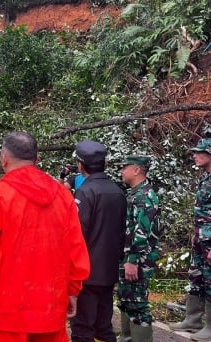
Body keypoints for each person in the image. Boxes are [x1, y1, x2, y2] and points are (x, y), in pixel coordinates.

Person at [0, 131, 90, 341]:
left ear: (3, 159)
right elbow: (75, 247)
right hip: (50, 305)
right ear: (37, 160)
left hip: (7, 309)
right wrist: (73, 289)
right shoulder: (62, 195)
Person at [70, 140, 127, 342]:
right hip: (109, 270)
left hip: (86, 272)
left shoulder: (85, 192)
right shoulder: (118, 192)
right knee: (103, 325)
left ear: (80, 164)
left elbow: (77, 235)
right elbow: (122, 233)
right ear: (105, 164)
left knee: (83, 326)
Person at [169, 138, 211, 340]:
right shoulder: (205, 178)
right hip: (201, 239)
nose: (195, 155)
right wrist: (196, 235)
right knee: (196, 276)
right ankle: (192, 319)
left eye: (199, 152)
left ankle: (210, 328)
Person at [117, 155, 161, 342]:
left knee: (137, 304)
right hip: (130, 257)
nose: (121, 171)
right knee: (127, 299)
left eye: (124, 167)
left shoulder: (144, 196)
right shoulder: (136, 193)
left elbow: (142, 232)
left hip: (138, 259)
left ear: (136, 170)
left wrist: (132, 260)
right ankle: (127, 337)